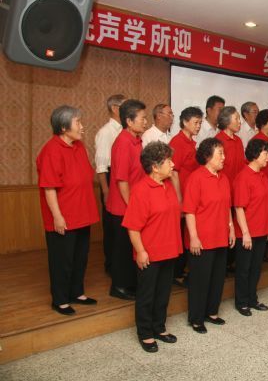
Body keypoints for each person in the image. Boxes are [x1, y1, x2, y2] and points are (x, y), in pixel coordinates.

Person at [37, 106, 99, 316]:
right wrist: (57, 216)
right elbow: (49, 187)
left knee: (80, 257)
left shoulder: (79, 146)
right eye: (78, 122)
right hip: (64, 216)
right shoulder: (51, 150)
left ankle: (76, 292)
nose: (82, 126)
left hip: (82, 213)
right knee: (62, 260)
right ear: (63, 128)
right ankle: (60, 300)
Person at [122, 142, 182, 353]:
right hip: (150, 252)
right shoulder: (141, 190)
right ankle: (145, 333)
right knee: (147, 295)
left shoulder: (167, 184)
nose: (173, 164)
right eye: (168, 161)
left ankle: (159, 327)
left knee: (163, 293)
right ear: (155, 167)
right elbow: (132, 227)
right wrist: (140, 251)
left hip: (169, 249)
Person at [183, 138, 235, 333]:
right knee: (200, 280)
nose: (224, 157)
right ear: (207, 156)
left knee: (217, 277)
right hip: (202, 239)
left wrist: (231, 227)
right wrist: (193, 237)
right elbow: (189, 211)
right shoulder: (196, 178)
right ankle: (196, 318)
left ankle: (212, 312)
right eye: (220, 153)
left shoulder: (224, 178)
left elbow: (227, 206)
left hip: (220, 235)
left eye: (223, 153)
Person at [106, 99, 148, 300]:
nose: (146, 122)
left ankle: (129, 284)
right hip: (123, 206)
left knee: (131, 247)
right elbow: (121, 180)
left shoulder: (136, 140)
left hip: (133, 203)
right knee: (123, 248)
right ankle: (119, 286)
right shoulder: (123, 142)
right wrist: (132, 206)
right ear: (129, 121)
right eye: (142, 118)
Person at [232, 139, 268, 316]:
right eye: (266, 153)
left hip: (261, 230)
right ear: (256, 155)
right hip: (247, 232)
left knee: (256, 267)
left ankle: (252, 298)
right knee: (244, 269)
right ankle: (242, 302)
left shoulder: (263, 176)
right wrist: (245, 233)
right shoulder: (243, 177)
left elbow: (266, 205)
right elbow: (239, 208)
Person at [169, 106, 203, 286]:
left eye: (200, 123)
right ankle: (176, 273)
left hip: (191, 194)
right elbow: (173, 173)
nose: (198, 126)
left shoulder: (191, 142)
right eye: (195, 122)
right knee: (180, 235)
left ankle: (184, 270)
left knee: (187, 234)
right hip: (180, 194)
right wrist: (179, 199)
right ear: (184, 122)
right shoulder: (177, 142)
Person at [95, 94, 126, 274]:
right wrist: (106, 191)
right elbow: (101, 166)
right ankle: (111, 265)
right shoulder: (106, 132)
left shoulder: (124, 130)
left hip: (121, 179)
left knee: (122, 226)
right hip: (110, 180)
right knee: (111, 226)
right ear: (115, 108)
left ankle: (121, 263)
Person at [215, 106, 245, 192]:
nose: (240, 122)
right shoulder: (218, 141)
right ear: (226, 122)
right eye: (236, 119)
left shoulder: (238, 140)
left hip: (239, 186)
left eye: (239, 118)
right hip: (223, 187)